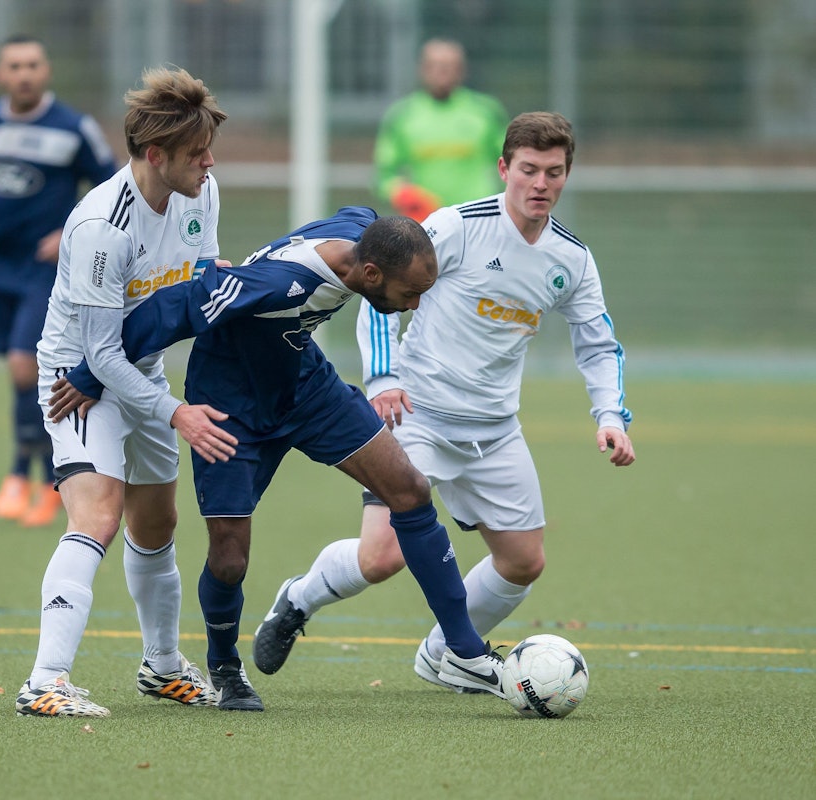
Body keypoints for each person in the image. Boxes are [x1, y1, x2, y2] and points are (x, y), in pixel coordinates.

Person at [53, 207, 511, 712]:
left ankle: (464, 650)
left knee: (410, 490)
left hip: (306, 387)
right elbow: (176, 308)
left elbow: (364, 215)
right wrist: (88, 374)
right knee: (229, 559)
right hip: (231, 406)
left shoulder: (364, 236)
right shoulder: (276, 284)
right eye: (410, 294)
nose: (415, 304)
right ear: (371, 274)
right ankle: (225, 668)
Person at [252, 111, 636, 688]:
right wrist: (383, 381)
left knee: (523, 562)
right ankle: (298, 598)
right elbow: (377, 290)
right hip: (419, 416)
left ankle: (445, 653)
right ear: (504, 167)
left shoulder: (571, 259)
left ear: (566, 175)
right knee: (380, 558)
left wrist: (609, 415)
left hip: (495, 429)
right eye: (528, 170)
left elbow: (598, 342)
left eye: (554, 173)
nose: (540, 184)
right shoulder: (456, 227)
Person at [13, 66, 229, 718]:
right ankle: (44, 681)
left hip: (144, 374)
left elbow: (199, 289)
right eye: (196, 154)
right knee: (99, 516)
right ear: (155, 155)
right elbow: (99, 355)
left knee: (156, 524)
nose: (209, 163)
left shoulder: (201, 192)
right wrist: (178, 414)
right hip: (77, 385)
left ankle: (161, 667)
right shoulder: (101, 229)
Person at [0, 34, 116, 527]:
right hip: (0, 266)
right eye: (15, 66)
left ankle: (27, 474)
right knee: (19, 370)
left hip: (50, 271)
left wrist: (69, 231)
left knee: (21, 363)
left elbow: (114, 186)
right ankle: (41, 475)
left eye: (33, 64)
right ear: (0, 75)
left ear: (46, 70)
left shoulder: (73, 128)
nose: (24, 74)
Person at [373, 38, 508, 223]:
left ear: (462, 70)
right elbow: (384, 175)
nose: (441, 72)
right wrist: (405, 195)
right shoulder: (402, 115)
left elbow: (512, 162)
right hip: (426, 223)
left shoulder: (486, 111)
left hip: (479, 220)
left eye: (448, 66)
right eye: (434, 65)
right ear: (421, 69)